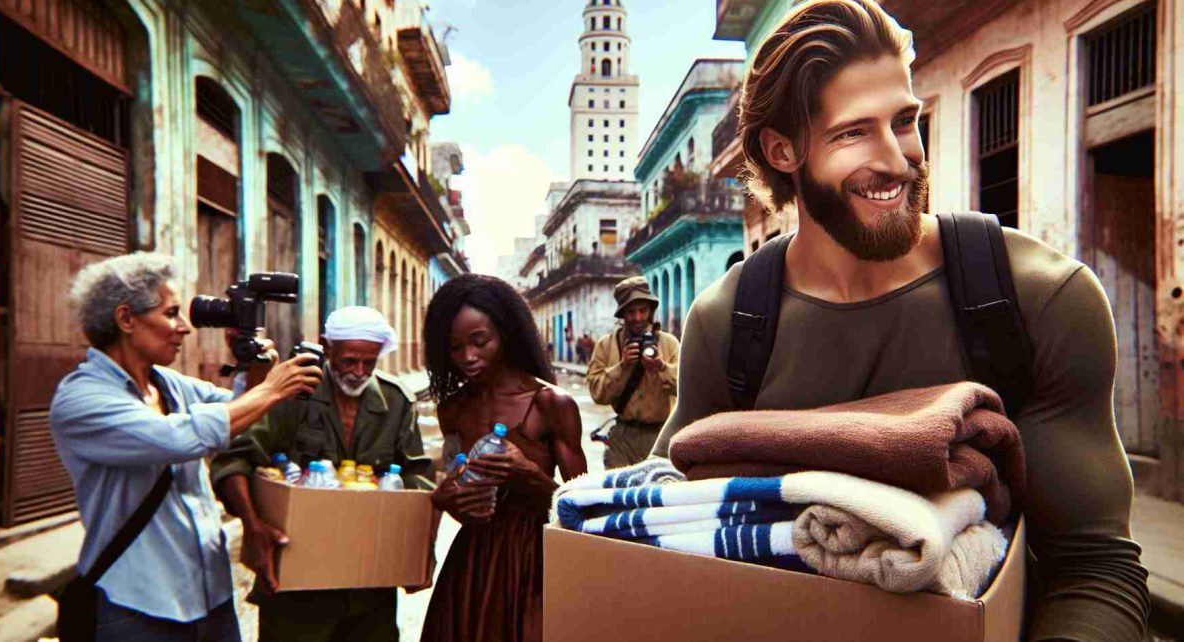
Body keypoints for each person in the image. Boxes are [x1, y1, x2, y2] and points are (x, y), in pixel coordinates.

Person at [650, 1, 1150, 640]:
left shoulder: (1037, 299)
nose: (897, 159)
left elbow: (1094, 567)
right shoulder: (730, 324)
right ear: (782, 150)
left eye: (905, 121)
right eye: (853, 133)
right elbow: (661, 530)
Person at [49, 252, 322, 641]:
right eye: (172, 313)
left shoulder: (165, 383)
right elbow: (181, 437)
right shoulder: (82, 401)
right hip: (138, 605)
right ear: (126, 319)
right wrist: (273, 389)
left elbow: (238, 414)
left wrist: (256, 361)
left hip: (209, 594)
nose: (185, 328)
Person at [211, 306, 427, 642]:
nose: (358, 372)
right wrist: (253, 525)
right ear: (328, 348)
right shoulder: (293, 394)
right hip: (298, 585)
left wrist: (418, 550)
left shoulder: (396, 402)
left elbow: (418, 478)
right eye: (349, 361)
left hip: (369, 584)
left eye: (369, 363)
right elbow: (234, 461)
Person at [420, 274, 586, 642]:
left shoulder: (550, 404)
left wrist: (526, 474)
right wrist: (447, 498)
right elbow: (458, 489)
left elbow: (582, 512)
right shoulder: (452, 409)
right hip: (472, 564)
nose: (468, 357)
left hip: (534, 562)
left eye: (480, 341)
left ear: (505, 334)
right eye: (455, 348)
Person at [586, 276, 680, 468]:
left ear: (650, 311)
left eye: (642, 310)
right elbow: (597, 393)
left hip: (661, 436)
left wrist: (661, 367)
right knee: (618, 494)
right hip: (623, 438)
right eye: (631, 312)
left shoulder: (669, 343)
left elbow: (687, 387)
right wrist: (623, 366)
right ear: (622, 315)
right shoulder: (606, 346)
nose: (637, 317)